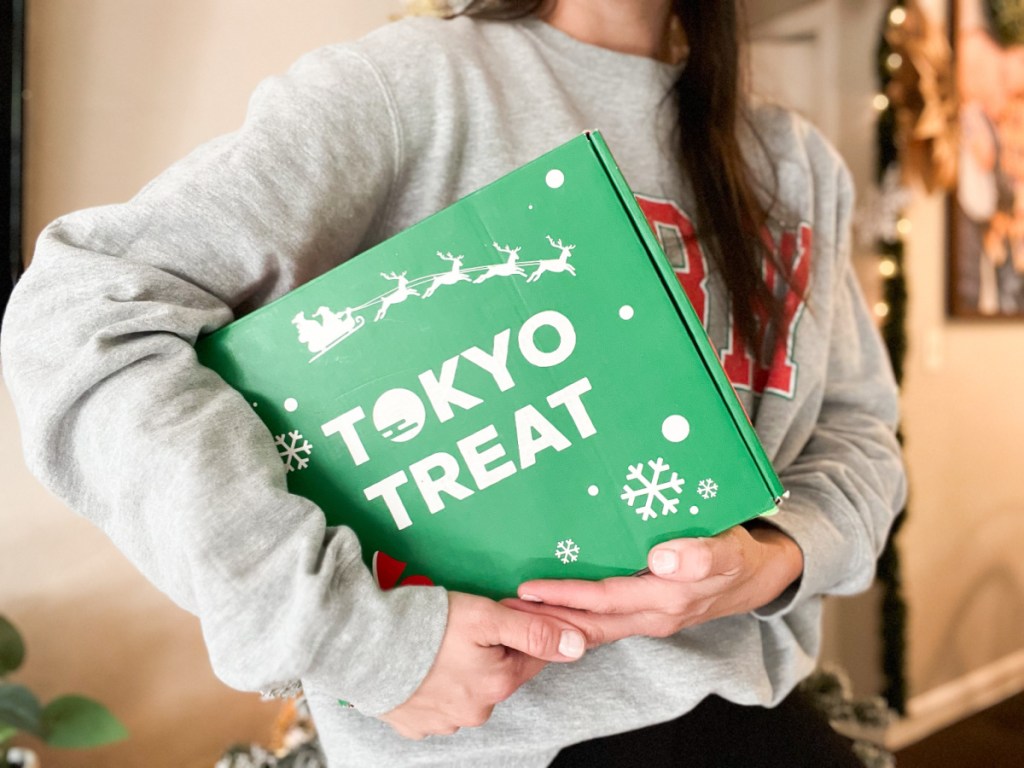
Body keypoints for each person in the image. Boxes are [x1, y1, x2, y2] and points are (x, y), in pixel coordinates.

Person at [1, 1, 907, 766]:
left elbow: (860, 435)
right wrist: (350, 634)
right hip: (493, 743)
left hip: (758, 723)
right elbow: (84, 316)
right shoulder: (415, 88)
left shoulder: (793, 161)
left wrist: (771, 559)